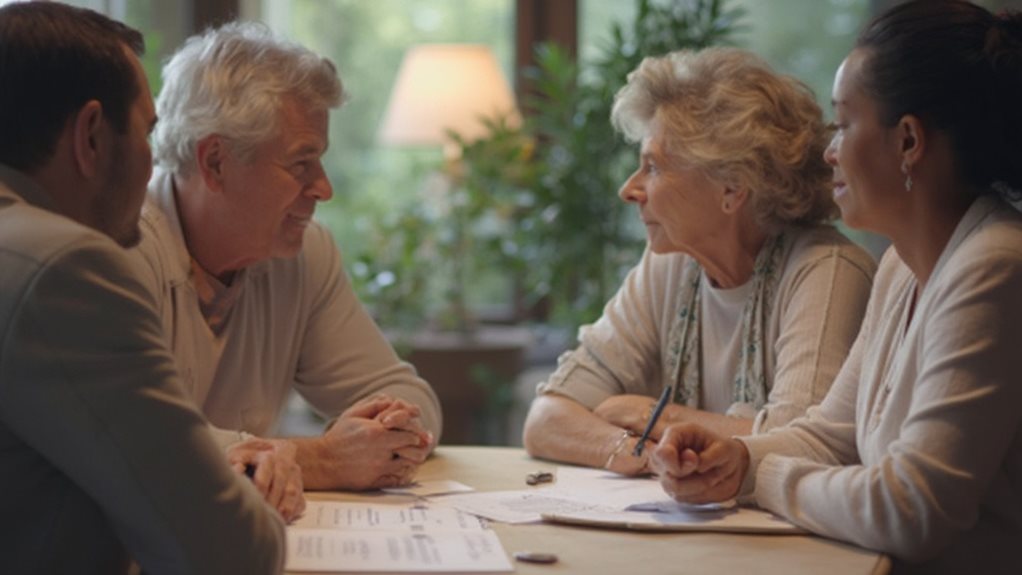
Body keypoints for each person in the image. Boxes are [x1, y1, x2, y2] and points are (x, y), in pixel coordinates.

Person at [651, 2, 1022, 573]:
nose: (829, 150)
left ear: (908, 142)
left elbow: (911, 511)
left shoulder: (995, 267)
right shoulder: (904, 266)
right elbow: (833, 436)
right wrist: (736, 460)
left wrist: (764, 475)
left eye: (844, 124)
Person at [0, 3, 284, 574]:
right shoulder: (66, 270)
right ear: (91, 137)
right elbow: (229, 554)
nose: (154, 162)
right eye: (149, 131)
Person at [522, 47, 876, 475]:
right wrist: (647, 455)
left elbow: (800, 444)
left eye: (652, 166)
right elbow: (546, 418)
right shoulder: (670, 264)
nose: (629, 189)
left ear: (732, 187)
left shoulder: (825, 271)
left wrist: (655, 416)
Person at [127, 22, 442, 498]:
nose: (325, 188)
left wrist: (388, 431)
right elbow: (139, 446)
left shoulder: (303, 254)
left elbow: (412, 399)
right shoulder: (120, 254)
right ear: (215, 162)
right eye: (301, 164)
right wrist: (327, 459)